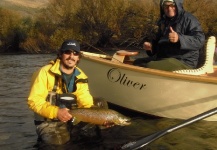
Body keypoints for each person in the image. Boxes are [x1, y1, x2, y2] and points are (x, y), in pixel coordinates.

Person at [28, 39, 111, 146]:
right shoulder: (44, 72)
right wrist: (56, 112)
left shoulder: (81, 76)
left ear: (78, 58)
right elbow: (34, 101)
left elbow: (86, 103)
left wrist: (100, 119)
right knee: (59, 144)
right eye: (67, 52)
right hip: (48, 122)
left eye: (75, 53)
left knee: (100, 103)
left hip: (72, 117)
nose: (71, 56)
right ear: (61, 54)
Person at [133, 0, 205, 71]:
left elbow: (200, 40)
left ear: (178, 5)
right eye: (166, 6)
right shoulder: (163, 21)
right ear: (163, 7)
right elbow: (160, 43)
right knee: (137, 62)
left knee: (149, 66)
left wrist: (179, 38)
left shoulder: (189, 19)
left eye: (172, 5)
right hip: (166, 58)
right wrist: (151, 47)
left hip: (184, 61)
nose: (169, 8)